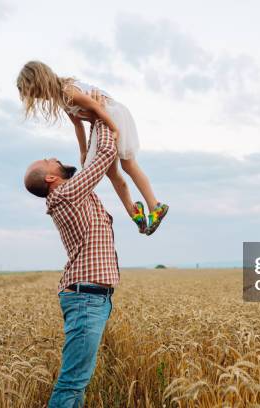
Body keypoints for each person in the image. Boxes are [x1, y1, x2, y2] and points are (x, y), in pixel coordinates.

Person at [23, 114, 118, 407]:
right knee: (73, 381)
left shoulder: (74, 193)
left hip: (91, 298)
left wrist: (85, 124)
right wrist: (102, 113)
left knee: (78, 381)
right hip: (86, 298)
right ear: (52, 178)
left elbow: (88, 158)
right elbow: (104, 154)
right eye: (48, 160)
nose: (53, 157)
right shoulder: (65, 195)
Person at [17, 60, 169, 235]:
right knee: (112, 174)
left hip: (111, 115)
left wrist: (114, 128)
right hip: (102, 121)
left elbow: (97, 106)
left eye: (36, 93)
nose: (38, 98)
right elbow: (77, 125)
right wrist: (83, 151)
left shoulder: (68, 91)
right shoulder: (62, 99)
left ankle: (154, 205)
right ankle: (135, 213)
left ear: (40, 82)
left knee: (128, 165)